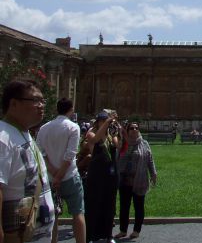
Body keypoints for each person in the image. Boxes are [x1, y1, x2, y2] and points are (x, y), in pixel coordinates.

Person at [1, 80, 55, 243]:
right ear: (14, 104)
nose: (41, 105)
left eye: (42, 101)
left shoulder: (24, 133)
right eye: (35, 100)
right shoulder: (3, 138)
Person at [37, 97, 86, 243]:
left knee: (53, 216)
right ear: (71, 109)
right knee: (78, 213)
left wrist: (53, 173)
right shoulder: (73, 127)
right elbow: (70, 154)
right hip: (69, 176)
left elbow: (41, 152)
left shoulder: (44, 128)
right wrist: (60, 175)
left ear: (56, 109)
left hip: (50, 178)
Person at [114, 122, 157, 240]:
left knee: (139, 207)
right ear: (127, 131)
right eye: (131, 128)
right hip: (124, 181)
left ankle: (136, 231)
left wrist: (153, 173)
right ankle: (123, 230)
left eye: (136, 128)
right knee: (124, 207)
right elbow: (119, 160)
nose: (134, 130)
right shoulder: (123, 144)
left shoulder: (144, 143)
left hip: (139, 180)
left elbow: (150, 159)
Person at [84, 111, 120, 243]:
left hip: (110, 176)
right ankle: (91, 236)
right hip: (96, 175)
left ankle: (108, 235)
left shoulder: (111, 136)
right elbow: (94, 140)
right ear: (98, 121)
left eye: (107, 120)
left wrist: (119, 129)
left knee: (109, 205)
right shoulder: (91, 133)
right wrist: (106, 123)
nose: (106, 122)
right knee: (94, 204)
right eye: (103, 120)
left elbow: (119, 145)